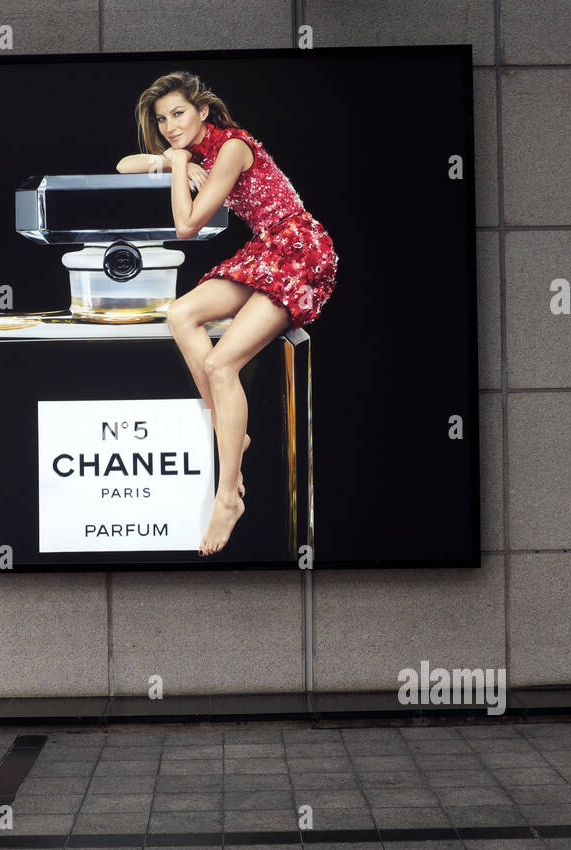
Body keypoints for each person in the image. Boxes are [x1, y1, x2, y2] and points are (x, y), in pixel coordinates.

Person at [116, 70, 337, 556]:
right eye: (162, 119)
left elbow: (187, 225)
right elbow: (123, 164)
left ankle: (227, 495)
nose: (171, 125)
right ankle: (226, 428)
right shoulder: (195, 151)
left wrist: (177, 168)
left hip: (298, 251)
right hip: (266, 252)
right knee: (181, 314)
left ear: (204, 112)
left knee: (221, 364)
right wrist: (170, 157)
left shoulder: (233, 147)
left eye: (178, 114)